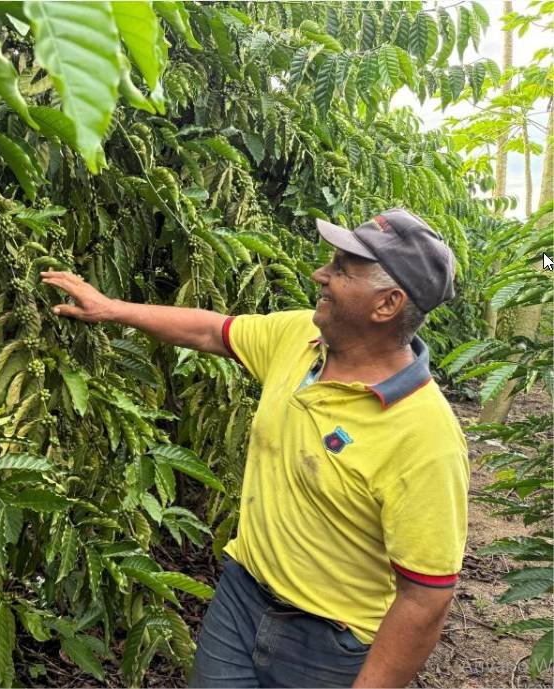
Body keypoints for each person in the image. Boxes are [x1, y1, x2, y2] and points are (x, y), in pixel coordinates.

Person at [40, 209, 469, 688]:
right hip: (241, 599)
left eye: (342, 269)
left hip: (329, 645)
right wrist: (113, 309)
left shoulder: (425, 436)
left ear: (387, 304)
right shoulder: (300, 339)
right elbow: (211, 331)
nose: (320, 275)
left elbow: (426, 597)